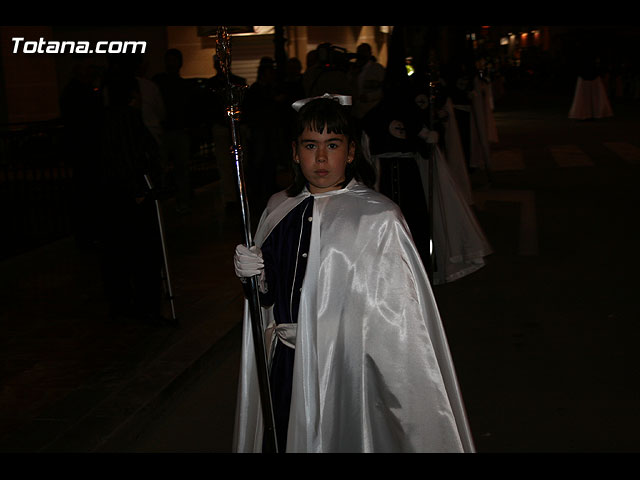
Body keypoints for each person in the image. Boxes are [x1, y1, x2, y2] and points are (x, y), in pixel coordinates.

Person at [232, 96, 474, 453]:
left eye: (332, 145)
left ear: (350, 152)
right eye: (310, 146)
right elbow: (269, 300)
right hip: (286, 366)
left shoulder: (377, 218)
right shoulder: (278, 208)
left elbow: (400, 322)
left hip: (342, 372)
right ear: (295, 153)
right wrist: (255, 278)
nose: (321, 158)